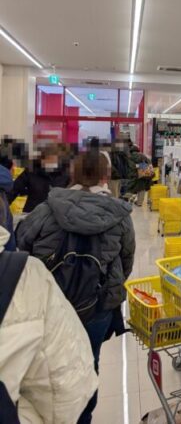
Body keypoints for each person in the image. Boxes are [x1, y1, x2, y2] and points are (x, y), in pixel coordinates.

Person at [16, 150, 135, 423]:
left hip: (50, 306)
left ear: (72, 173)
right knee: (88, 365)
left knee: (46, 367)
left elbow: (22, 244)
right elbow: (126, 261)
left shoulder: (47, 209)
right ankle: (83, 417)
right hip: (97, 307)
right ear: (106, 176)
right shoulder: (119, 215)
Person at [0, 224, 98, 423]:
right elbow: (66, 389)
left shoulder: (43, 214)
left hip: (59, 290)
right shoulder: (24, 275)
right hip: (93, 302)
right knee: (88, 356)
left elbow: (24, 239)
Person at [9, 144, 70, 213]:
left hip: (55, 216)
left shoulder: (65, 175)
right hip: (32, 213)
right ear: (42, 158)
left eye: (54, 160)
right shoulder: (32, 170)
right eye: (48, 158)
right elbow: (13, 190)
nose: (50, 162)